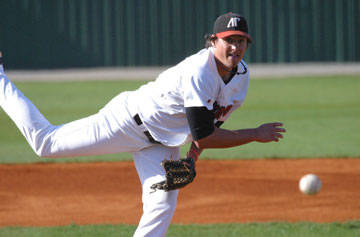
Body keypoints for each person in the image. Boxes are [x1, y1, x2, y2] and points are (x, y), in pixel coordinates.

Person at [0, 12, 285, 237]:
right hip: (127, 122)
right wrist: (254, 134)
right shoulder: (199, 72)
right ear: (213, 41)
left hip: (162, 143)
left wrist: (192, 159)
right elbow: (207, 135)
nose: (235, 47)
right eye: (229, 40)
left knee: (161, 206)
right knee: (46, 144)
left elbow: (206, 128)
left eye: (241, 41)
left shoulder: (241, 78)